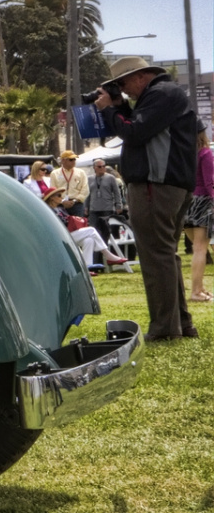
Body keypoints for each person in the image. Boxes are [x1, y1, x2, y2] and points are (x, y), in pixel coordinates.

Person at [94, 55, 203, 340]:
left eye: (123, 82)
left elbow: (135, 131)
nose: (123, 88)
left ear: (141, 76)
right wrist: (120, 107)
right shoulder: (165, 94)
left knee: (156, 257)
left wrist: (109, 111)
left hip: (155, 185)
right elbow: (141, 127)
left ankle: (166, 329)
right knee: (166, 255)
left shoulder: (161, 94)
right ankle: (180, 323)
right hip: (169, 185)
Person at [47, 190, 129, 271]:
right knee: (91, 230)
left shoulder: (61, 208)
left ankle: (87, 267)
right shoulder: (49, 211)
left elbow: (67, 220)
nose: (61, 197)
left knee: (89, 240)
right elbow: (59, 225)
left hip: (69, 234)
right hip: (61, 237)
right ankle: (108, 255)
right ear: (52, 198)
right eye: (59, 195)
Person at [188, 132, 214, 302]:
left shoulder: (186, 154)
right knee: (200, 249)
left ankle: (200, 287)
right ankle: (196, 291)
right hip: (203, 202)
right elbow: (210, 182)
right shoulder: (205, 154)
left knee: (197, 249)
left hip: (187, 202)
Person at [86, 157, 126, 246]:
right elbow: (88, 194)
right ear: (94, 168)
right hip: (94, 209)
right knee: (93, 230)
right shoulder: (90, 179)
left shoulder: (111, 178)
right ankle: (96, 252)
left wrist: (118, 205)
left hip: (107, 208)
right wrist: (86, 206)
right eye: (99, 166)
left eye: (104, 166)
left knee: (107, 231)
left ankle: (109, 249)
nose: (102, 168)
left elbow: (117, 192)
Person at [48, 150, 89, 216]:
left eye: (74, 159)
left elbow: (85, 189)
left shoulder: (81, 173)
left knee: (78, 225)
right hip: (60, 205)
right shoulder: (55, 173)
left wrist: (74, 201)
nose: (74, 162)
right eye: (71, 160)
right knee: (61, 225)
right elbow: (53, 190)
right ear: (63, 160)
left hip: (77, 204)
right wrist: (62, 202)